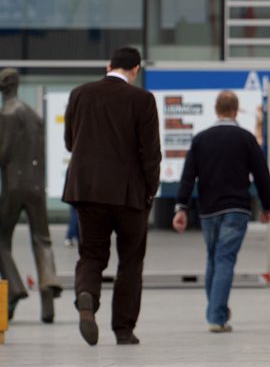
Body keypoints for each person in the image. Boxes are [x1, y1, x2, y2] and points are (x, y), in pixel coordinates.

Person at [62, 48, 161, 346]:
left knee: (91, 254)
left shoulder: (79, 94)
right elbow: (150, 154)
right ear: (136, 70)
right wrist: (150, 190)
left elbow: (70, 142)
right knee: (130, 262)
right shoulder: (142, 100)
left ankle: (87, 296)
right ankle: (124, 329)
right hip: (129, 195)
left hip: (88, 191)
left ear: (108, 66)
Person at [173, 90, 270, 333]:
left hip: (208, 209)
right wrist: (267, 206)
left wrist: (181, 207)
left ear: (217, 110)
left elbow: (188, 177)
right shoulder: (246, 138)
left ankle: (216, 312)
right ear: (236, 111)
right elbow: (262, 175)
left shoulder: (201, 139)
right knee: (225, 259)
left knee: (213, 259)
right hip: (237, 208)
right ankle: (216, 317)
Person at [0, 68, 62, 323]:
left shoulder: (7, 114)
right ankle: (48, 303)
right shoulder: (35, 116)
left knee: (1, 240)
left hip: (14, 186)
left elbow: (3, 154)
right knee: (42, 239)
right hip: (36, 187)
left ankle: (14, 287)